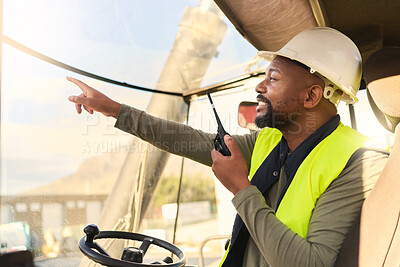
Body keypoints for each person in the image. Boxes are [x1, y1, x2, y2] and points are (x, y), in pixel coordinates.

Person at [67, 27, 389, 266]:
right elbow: (185, 138)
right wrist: (113, 109)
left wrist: (240, 188)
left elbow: (312, 263)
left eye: (273, 79)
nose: (260, 87)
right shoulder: (271, 140)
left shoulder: (358, 163)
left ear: (311, 97)